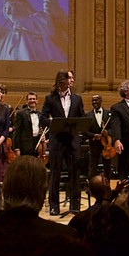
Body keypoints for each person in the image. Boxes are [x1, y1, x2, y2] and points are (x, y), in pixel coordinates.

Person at [40, 70, 85, 215]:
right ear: (61, 80)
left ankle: (75, 205)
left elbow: (82, 118)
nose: (72, 80)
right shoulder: (50, 99)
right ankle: (54, 206)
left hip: (72, 141)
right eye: (69, 78)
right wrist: (54, 123)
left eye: (72, 78)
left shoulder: (77, 99)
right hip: (57, 140)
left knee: (75, 174)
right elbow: (43, 118)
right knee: (55, 174)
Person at [83, 94, 112, 178]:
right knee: (93, 166)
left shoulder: (109, 114)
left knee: (107, 166)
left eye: (96, 100)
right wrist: (93, 135)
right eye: (93, 100)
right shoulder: (87, 115)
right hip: (94, 145)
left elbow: (114, 128)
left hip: (106, 145)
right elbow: (85, 131)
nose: (94, 102)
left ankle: (107, 187)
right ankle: (91, 187)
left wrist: (108, 132)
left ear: (101, 101)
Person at [12, 92, 46, 156]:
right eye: (30, 99)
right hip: (24, 147)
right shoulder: (20, 114)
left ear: (37, 101)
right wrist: (16, 148)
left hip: (37, 146)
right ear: (27, 101)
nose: (32, 100)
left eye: (34, 99)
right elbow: (17, 132)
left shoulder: (40, 114)